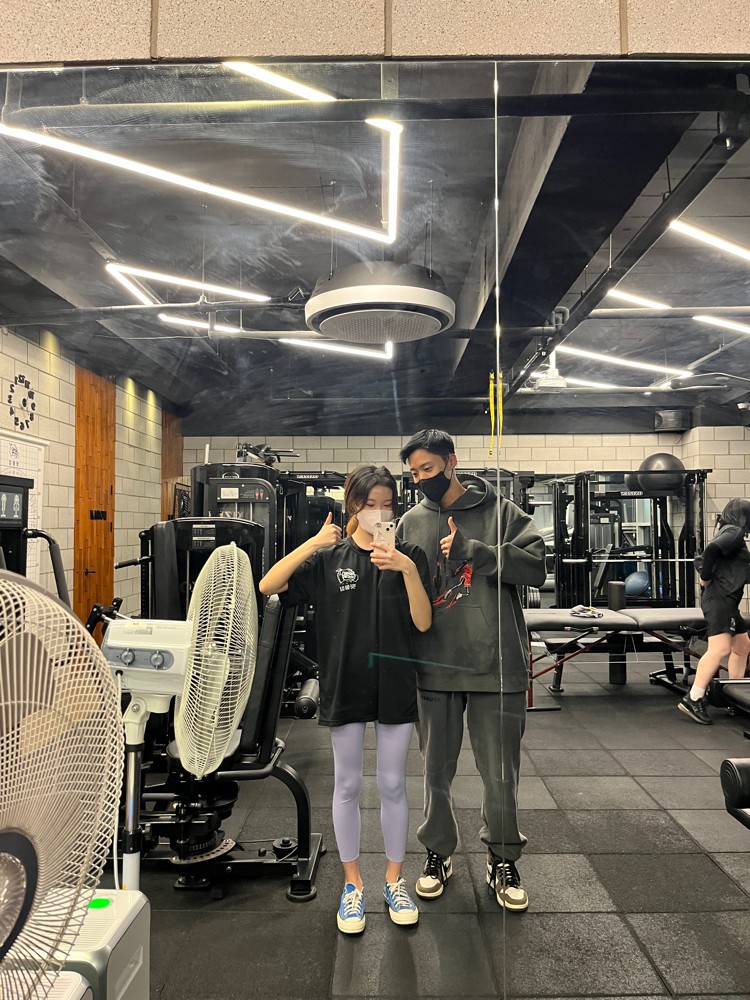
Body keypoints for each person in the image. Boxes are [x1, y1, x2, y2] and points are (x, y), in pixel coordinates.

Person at [259, 464, 432, 934]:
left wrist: (407, 569)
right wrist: (314, 543)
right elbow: (268, 585)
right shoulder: (330, 559)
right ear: (353, 505)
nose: (380, 514)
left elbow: (422, 622)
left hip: (395, 682)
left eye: (387, 505)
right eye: (369, 504)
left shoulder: (410, 555)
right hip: (345, 682)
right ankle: (352, 885)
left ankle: (394, 881)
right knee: (348, 785)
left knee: (393, 784)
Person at [396, 429, 546, 911]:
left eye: (428, 469)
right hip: (433, 663)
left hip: (495, 664)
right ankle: (438, 853)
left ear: (451, 462)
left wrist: (477, 552)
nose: (421, 479)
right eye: (414, 473)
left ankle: (502, 858)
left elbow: (537, 569)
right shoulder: (410, 522)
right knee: (434, 772)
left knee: (501, 775)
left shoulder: (502, 512)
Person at [678, 497, 750, 725]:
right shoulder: (734, 532)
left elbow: (714, 562)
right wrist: (705, 578)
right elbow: (710, 551)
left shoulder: (731, 534)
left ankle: (735, 696)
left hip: (727, 602)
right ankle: (693, 697)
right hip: (720, 601)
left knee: (742, 646)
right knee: (720, 649)